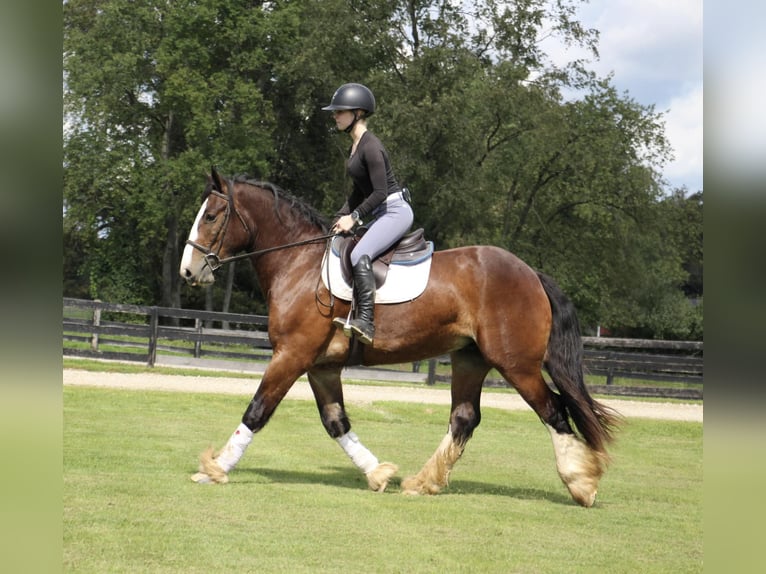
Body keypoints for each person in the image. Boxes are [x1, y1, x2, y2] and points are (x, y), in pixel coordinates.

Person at [322, 83, 414, 345]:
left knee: (360, 253)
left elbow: (380, 192)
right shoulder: (356, 146)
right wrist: (340, 216)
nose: (335, 115)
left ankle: (366, 321)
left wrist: (354, 217)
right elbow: (359, 193)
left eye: (340, 111)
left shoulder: (370, 145)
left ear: (358, 113)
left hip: (395, 210)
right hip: (381, 210)